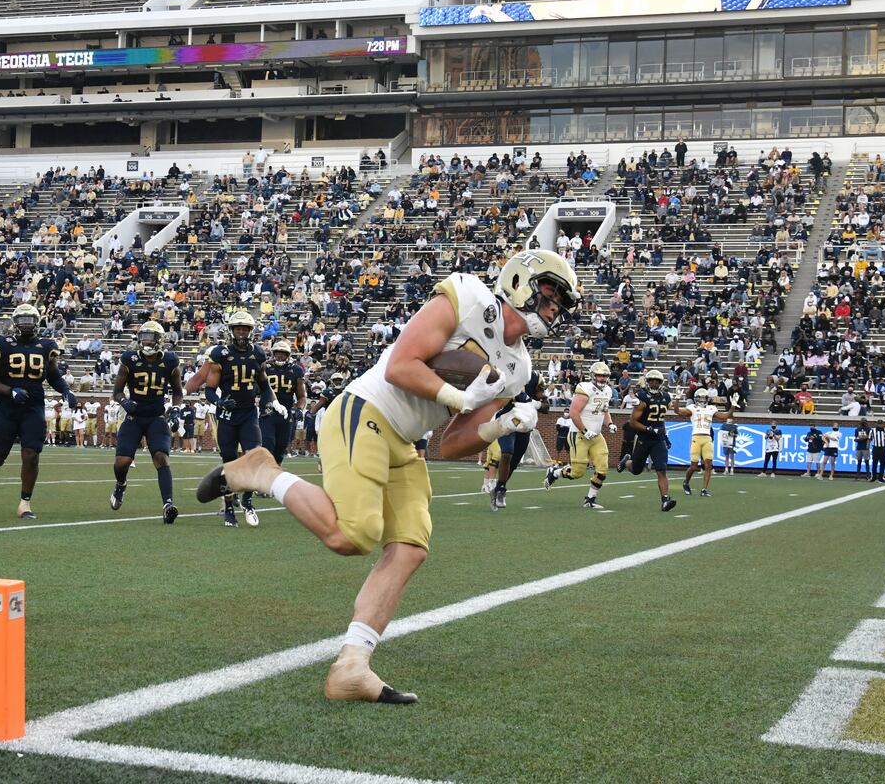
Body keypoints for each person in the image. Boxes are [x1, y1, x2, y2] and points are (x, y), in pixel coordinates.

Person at [194, 248, 577, 703]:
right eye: (551, 294)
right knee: (352, 535)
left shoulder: (520, 368)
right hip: (366, 409)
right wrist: (457, 398)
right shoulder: (467, 296)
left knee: (411, 547)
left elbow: (452, 443)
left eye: (561, 303)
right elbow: (400, 366)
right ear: (520, 280)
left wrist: (500, 425)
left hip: (406, 440)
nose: (554, 308)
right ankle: (263, 471)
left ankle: (351, 666)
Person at [0, 303, 77, 519]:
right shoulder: (2, 344)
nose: (27, 325)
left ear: (37, 322)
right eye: (22, 321)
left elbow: (53, 375)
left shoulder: (47, 345)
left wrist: (66, 391)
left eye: (30, 321)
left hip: (33, 407)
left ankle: (25, 503)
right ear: (15, 323)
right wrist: (10, 391)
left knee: (31, 455)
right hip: (7, 407)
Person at [186, 309, 283, 528]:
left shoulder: (258, 353)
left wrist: (273, 401)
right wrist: (219, 402)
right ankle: (229, 507)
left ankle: (247, 501)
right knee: (229, 463)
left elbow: (265, 386)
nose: (241, 332)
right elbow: (210, 389)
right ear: (231, 330)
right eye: (237, 328)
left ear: (251, 331)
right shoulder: (220, 355)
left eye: (245, 329)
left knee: (254, 456)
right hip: (227, 416)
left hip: (248, 413)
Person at [110, 320, 182, 522]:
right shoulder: (129, 359)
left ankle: (168, 504)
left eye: (151, 338)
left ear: (159, 341)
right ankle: (121, 484)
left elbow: (177, 392)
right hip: (134, 417)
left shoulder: (170, 361)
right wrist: (124, 401)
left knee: (161, 457)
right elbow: (116, 392)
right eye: (144, 338)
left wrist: (175, 410)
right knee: (122, 461)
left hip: (157, 417)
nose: (147, 342)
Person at [545, 361, 616, 508]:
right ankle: (555, 472)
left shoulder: (608, 391)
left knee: (602, 468)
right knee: (577, 473)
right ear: (593, 375)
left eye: (605, 376)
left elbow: (604, 411)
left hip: (596, 436)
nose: (602, 379)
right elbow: (573, 413)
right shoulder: (585, 388)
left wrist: (610, 424)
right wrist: (585, 430)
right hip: (579, 434)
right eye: (599, 376)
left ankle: (590, 499)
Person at [489, 374, 546, 510]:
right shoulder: (506, 375)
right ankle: (502, 489)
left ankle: (498, 488)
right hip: (506, 422)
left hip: (524, 426)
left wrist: (535, 403)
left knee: (513, 463)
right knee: (507, 452)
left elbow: (545, 405)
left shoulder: (535, 378)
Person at [627, 369, 680, 511]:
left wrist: (665, 436)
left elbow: (661, 420)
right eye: (652, 381)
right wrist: (648, 429)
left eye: (657, 381)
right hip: (644, 438)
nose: (654, 383)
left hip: (658, 439)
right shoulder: (642, 397)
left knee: (661, 470)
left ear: (661, 383)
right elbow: (632, 422)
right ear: (648, 382)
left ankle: (665, 500)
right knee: (636, 470)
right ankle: (625, 462)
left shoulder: (666, 397)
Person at [261, 339, 307, 464]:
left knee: (281, 448)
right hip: (267, 412)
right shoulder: (265, 367)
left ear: (288, 355)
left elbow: (302, 396)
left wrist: (299, 409)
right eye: (277, 353)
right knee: (268, 443)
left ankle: (275, 473)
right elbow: (255, 388)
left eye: (283, 353)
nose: (280, 355)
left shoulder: (296, 370)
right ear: (273, 353)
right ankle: (266, 473)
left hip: (285, 413)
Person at [680, 395, 727, 497]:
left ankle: (704, 489)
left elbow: (724, 416)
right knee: (694, 465)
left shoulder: (711, 408)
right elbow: (678, 412)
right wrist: (677, 399)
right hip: (696, 437)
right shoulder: (692, 408)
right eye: (700, 398)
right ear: (696, 399)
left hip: (707, 437)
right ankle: (686, 482)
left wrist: (732, 407)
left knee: (708, 465)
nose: (702, 400)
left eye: (703, 398)